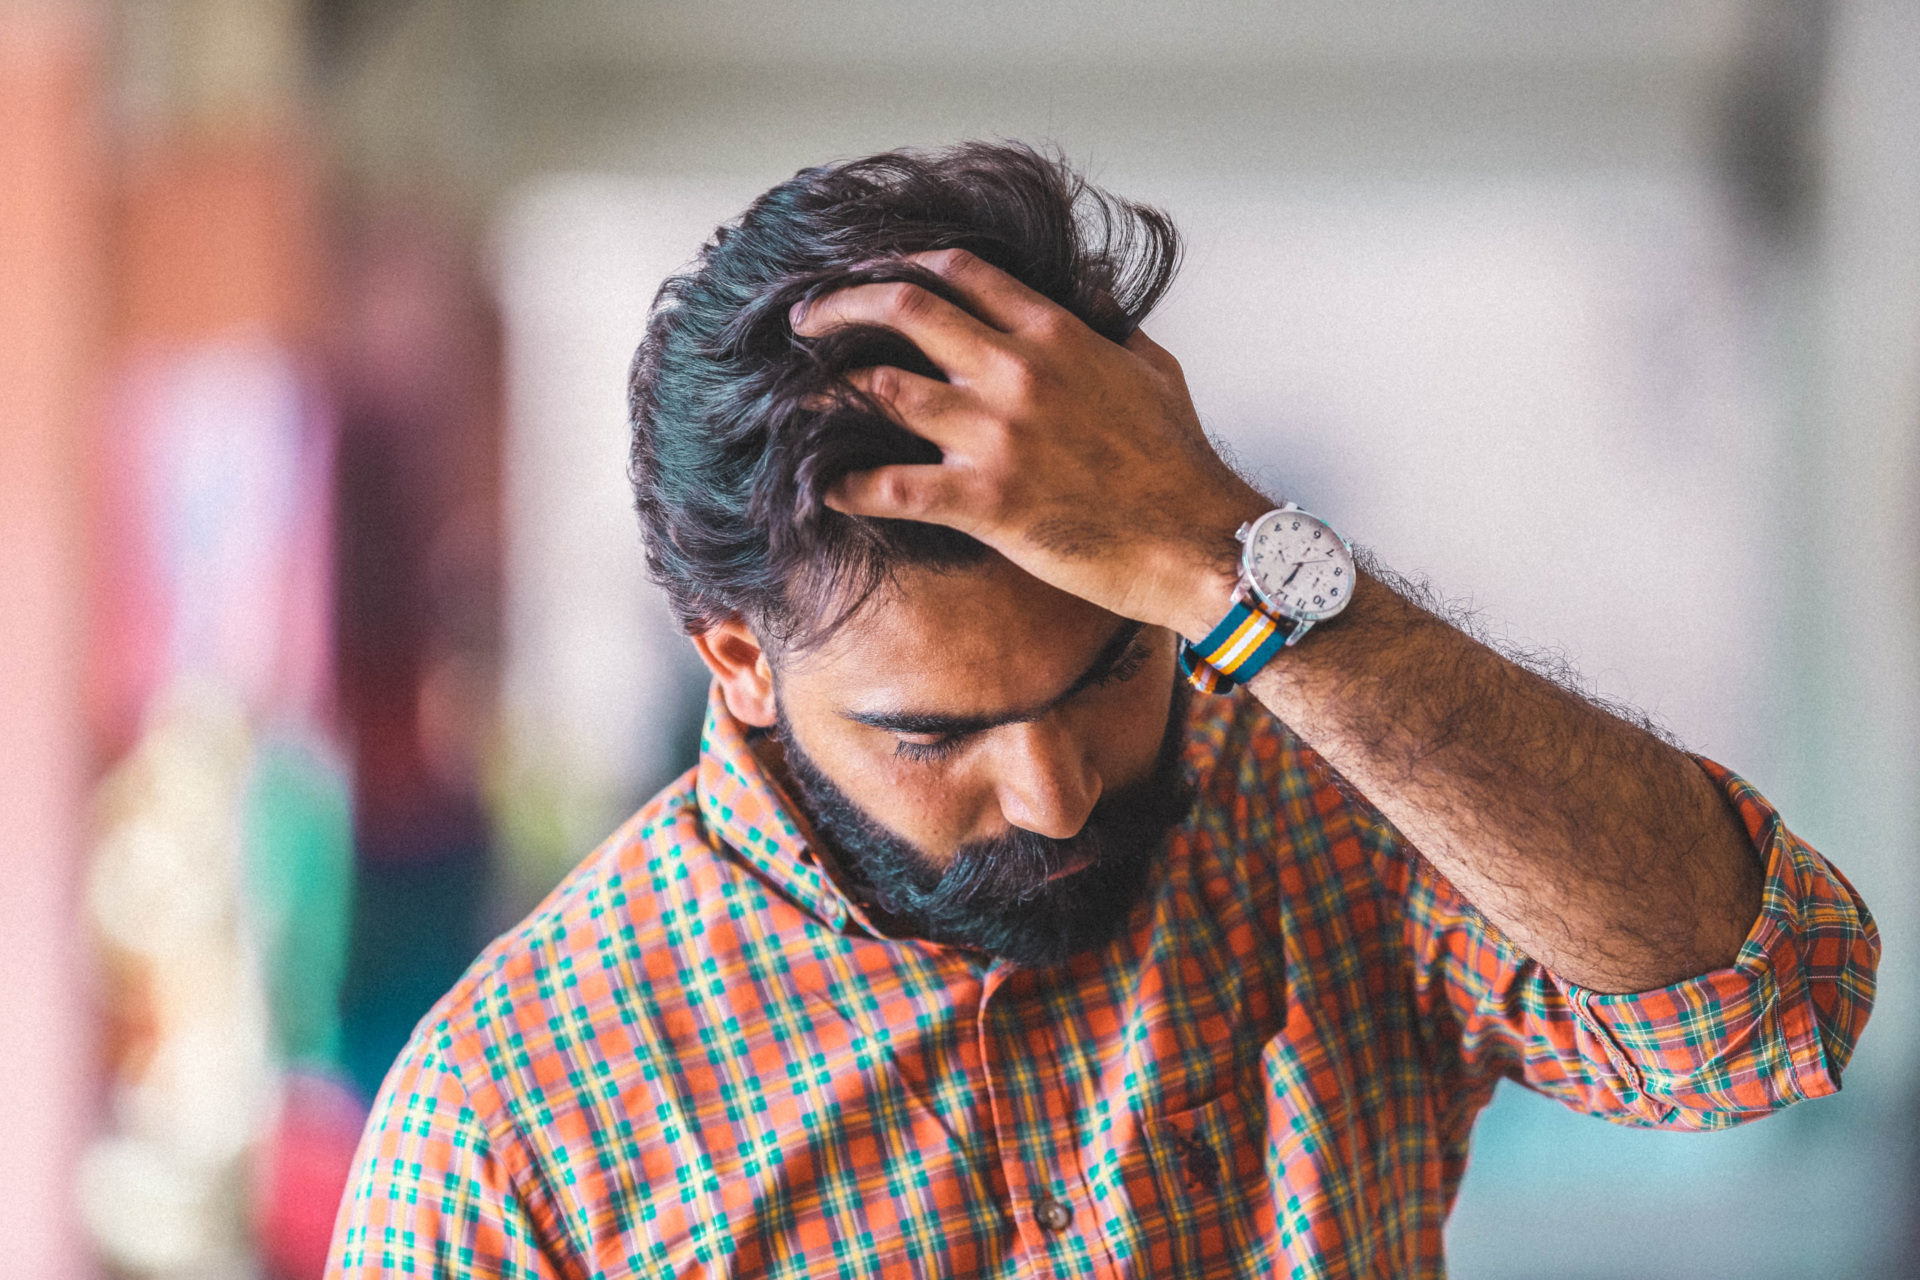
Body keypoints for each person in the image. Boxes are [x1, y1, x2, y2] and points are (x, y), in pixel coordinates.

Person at [326, 143, 1878, 1278]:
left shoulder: (1312, 808)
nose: (1060, 793)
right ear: (735, 660)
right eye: (934, 736)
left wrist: (1231, 554)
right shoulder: (510, 1125)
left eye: (1116, 665)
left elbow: (1772, 1016)